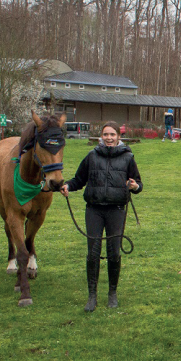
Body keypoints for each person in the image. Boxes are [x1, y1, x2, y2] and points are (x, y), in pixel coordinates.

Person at [61, 122, 143, 312]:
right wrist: (67, 186)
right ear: (101, 136)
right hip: (94, 210)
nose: (109, 138)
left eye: (112, 134)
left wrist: (134, 187)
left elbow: (138, 183)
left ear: (118, 136)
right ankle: (92, 295)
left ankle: (112, 293)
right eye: (105, 134)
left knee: (114, 253)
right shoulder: (92, 156)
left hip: (116, 210)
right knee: (93, 252)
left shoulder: (128, 157)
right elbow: (79, 180)